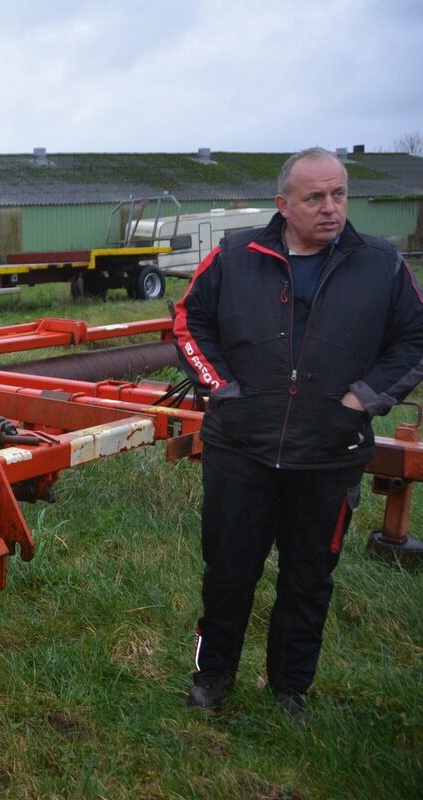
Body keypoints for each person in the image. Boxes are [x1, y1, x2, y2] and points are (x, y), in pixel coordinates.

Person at [172, 146, 423, 716]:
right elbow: (189, 321)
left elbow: (415, 338)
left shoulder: (380, 265)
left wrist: (363, 397)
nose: (331, 208)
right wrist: (221, 388)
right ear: (283, 204)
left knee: (309, 580)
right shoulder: (235, 257)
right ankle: (211, 679)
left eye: (339, 194)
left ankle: (289, 689)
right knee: (228, 574)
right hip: (241, 450)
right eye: (315, 198)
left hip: (329, 454)